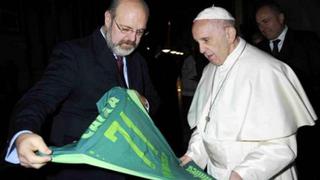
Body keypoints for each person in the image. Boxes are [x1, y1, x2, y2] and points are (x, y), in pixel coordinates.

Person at [4, 0, 159, 179]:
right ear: (108, 19)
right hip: (81, 171)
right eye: (125, 28)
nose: (132, 39)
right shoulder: (73, 54)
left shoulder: (138, 61)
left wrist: (143, 103)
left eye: (139, 32)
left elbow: (153, 101)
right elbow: (39, 98)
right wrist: (24, 133)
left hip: (127, 167)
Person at [179, 4, 317, 180]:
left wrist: (243, 174)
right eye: (197, 42)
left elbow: (282, 147)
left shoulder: (267, 70)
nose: (200, 49)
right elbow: (205, 124)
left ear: (229, 34)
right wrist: (193, 156)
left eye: (206, 40)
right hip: (218, 174)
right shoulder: (209, 70)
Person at [255, 1, 320, 178]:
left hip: (306, 118)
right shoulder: (258, 50)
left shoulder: (307, 40)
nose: (262, 27)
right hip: (274, 123)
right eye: (259, 24)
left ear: (281, 18)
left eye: (266, 21)